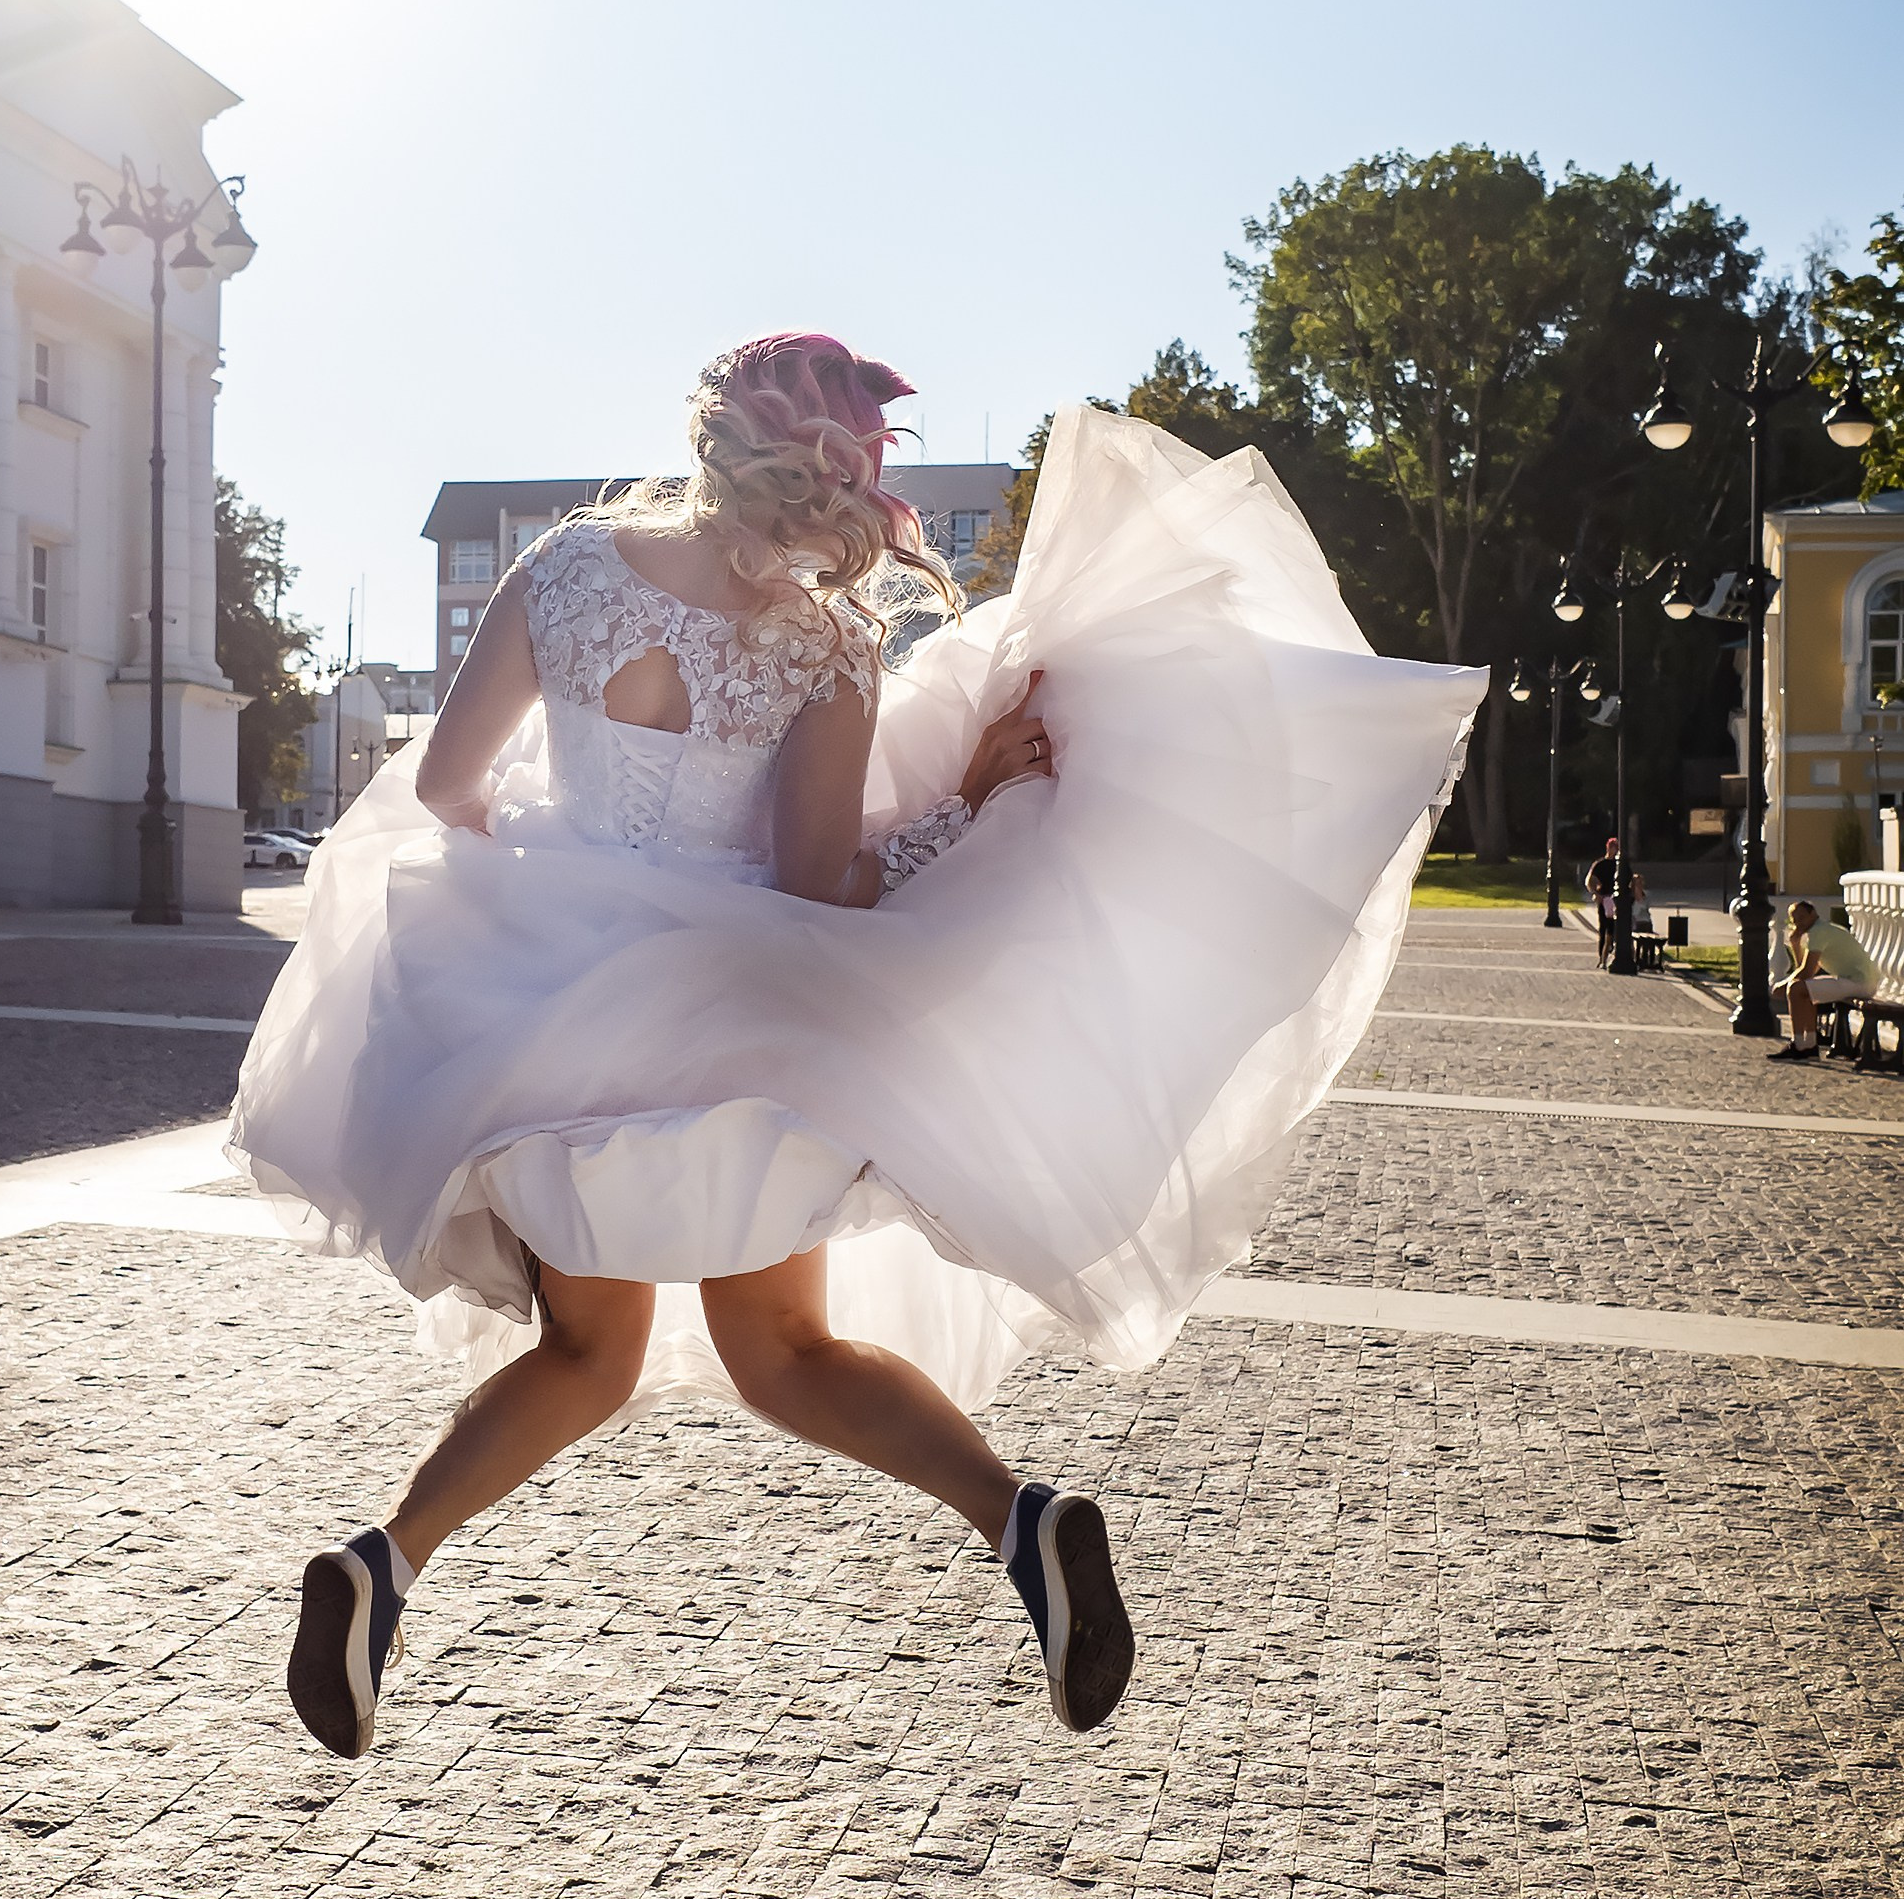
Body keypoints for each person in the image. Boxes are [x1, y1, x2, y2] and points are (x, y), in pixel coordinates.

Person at [231, 336, 1485, 1761]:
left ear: (711, 434)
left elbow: (449, 786)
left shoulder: (564, 570)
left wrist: (559, 859)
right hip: (738, 1020)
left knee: (588, 1346)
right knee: (782, 1348)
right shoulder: (821, 641)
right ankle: (1026, 1521)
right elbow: (821, 883)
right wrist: (965, 809)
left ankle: (379, 1565)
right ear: (841, 470)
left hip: (550, 998)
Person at [1770, 897, 1881, 1062]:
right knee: (1803, 991)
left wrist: (1783, 986)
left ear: (1812, 914)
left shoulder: (1819, 932)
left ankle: (1799, 1045)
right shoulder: (1819, 931)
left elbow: (1806, 973)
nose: (1798, 923)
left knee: (1796, 989)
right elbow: (1806, 970)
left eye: (1801, 918)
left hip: (1859, 981)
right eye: (1794, 920)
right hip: (1858, 981)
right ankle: (1808, 1045)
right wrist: (1795, 944)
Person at [1583, 833, 1624, 968]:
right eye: (1613, 847)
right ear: (1608, 848)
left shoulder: (1620, 864)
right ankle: (1602, 956)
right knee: (1604, 928)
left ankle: (1615, 951)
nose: (1615, 850)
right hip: (1604, 898)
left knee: (1616, 928)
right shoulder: (1600, 864)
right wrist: (1595, 893)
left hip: (1616, 899)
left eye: (1616, 847)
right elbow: (1589, 880)